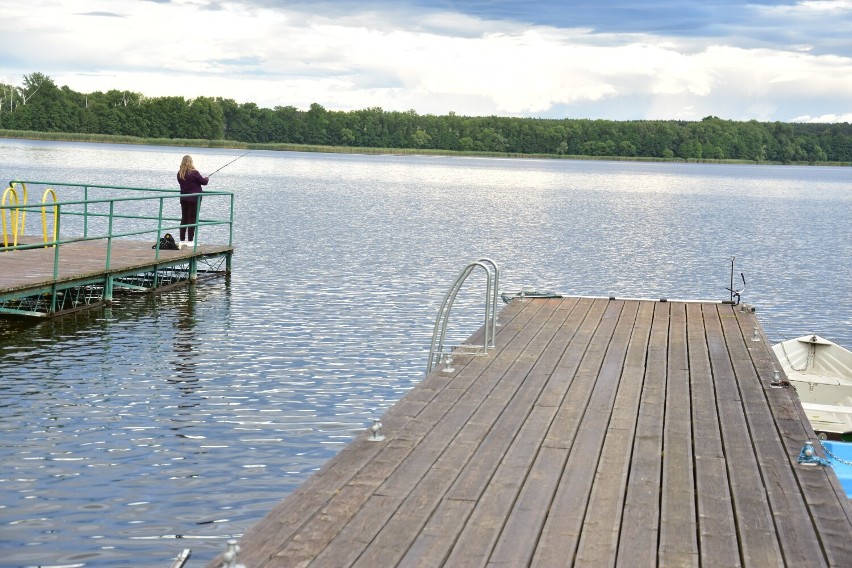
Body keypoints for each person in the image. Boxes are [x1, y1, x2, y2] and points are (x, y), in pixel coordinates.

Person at [176, 155, 209, 245]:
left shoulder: (180, 173)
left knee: (184, 218)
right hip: (194, 199)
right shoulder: (194, 173)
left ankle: (182, 241)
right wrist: (207, 178)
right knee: (192, 219)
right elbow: (204, 182)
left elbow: (182, 183)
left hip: (184, 198)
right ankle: (190, 241)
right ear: (191, 162)